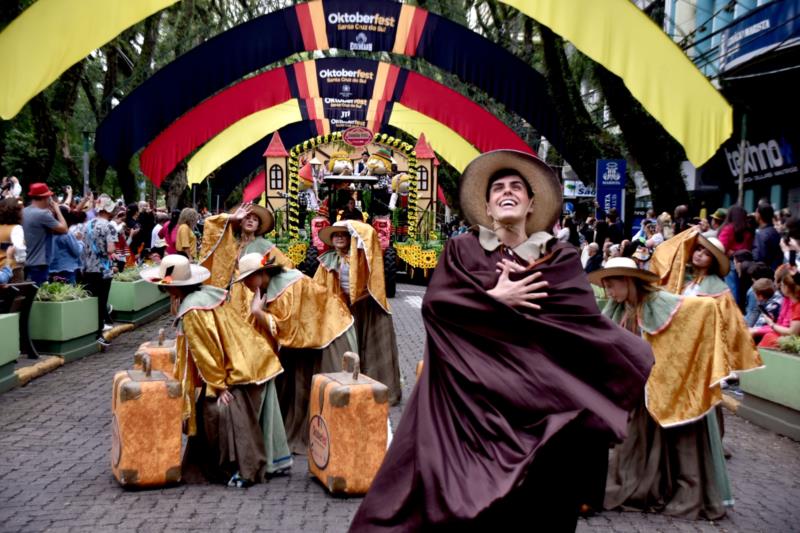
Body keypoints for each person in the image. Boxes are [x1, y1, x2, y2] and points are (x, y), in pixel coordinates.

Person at [350, 149, 653, 531]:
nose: (506, 192)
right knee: (467, 505)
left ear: (530, 205)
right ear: (488, 208)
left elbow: (579, 327)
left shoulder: (559, 258)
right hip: (472, 409)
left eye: (516, 188)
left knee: (538, 504)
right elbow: (438, 309)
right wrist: (494, 300)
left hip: (539, 408)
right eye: (497, 189)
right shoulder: (462, 251)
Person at [589, 257, 732, 520]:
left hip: (668, 385)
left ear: (628, 281)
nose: (609, 292)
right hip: (641, 389)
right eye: (606, 287)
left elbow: (705, 308)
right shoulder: (620, 307)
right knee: (634, 441)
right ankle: (643, 487)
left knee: (673, 443)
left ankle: (661, 489)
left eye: (612, 286)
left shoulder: (658, 301)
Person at [140, 255, 290, 487]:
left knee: (222, 414)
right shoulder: (204, 296)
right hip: (250, 359)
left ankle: (243, 469)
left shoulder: (192, 310)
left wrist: (219, 386)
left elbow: (206, 352)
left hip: (239, 368)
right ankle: (268, 463)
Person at [235, 252, 357, 454]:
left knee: (326, 393)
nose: (246, 284)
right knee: (292, 378)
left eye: (248, 278)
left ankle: (334, 444)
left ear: (262, 273)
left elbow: (286, 330)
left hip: (330, 333)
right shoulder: (269, 287)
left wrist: (258, 312)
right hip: (307, 338)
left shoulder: (286, 288)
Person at [314, 220, 402, 405]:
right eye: (335, 235)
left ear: (350, 238)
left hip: (365, 307)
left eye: (342, 234)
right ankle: (347, 389)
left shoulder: (361, 257)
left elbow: (371, 236)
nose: (338, 237)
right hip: (341, 310)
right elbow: (317, 286)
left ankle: (372, 391)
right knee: (346, 349)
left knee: (368, 348)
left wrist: (353, 225)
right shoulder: (328, 260)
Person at [199, 202, 292, 320]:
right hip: (234, 295)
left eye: (255, 219)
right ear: (240, 221)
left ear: (258, 226)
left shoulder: (264, 245)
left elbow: (286, 264)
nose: (250, 221)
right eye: (247, 217)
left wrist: (267, 283)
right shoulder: (232, 245)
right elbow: (210, 223)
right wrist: (232, 217)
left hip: (254, 293)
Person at [82, 195, 118, 342]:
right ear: (108, 210)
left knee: (91, 301)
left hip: (88, 268)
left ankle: (90, 331)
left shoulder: (87, 225)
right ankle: (98, 333)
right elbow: (110, 249)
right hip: (103, 269)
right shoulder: (109, 226)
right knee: (101, 302)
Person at [22, 183, 67, 284]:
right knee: (36, 294)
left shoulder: (23, 212)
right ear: (45, 198)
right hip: (40, 262)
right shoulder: (43, 214)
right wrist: (57, 209)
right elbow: (64, 229)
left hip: (25, 262)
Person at [757, 266, 800, 349]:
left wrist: (772, 324)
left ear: (787, 288)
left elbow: (792, 332)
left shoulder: (797, 306)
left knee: (769, 338)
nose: (780, 286)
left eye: (782, 284)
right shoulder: (793, 303)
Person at [48, 206, 84, 284]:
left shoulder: (49, 233)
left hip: (52, 269)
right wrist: (79, 241)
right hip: (68, 269)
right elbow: (77, 251)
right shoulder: (67, 235)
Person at [0, 197, 26, 283]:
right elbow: (19, 248)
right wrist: (22, 261)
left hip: (1, 271)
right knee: (17, 295)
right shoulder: (16, 228)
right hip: (13, 269)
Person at [753, 203, 782, 270]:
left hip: (763, 272)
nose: (755, 215)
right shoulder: (774, 232)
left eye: (756, 212)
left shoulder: (761, 234)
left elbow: (758, 257)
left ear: (759, 215)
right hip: (774, 270)